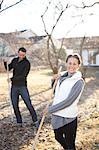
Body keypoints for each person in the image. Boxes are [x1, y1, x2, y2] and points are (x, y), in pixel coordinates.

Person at [44, 53, 85, 150]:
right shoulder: (61, 77)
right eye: (70, 63)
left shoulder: (79, 82)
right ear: (66, 63)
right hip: (57, 115)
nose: (71, 66)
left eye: (74, 64)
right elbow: (56, 92)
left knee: (70, 143)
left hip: (68, 117)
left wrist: (50, 109)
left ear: (78, 65)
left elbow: (68, 101)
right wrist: (53, 81)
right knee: (57, 137)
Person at [3, 47, 39, 128]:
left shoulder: (27, 63)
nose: (21, 56)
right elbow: (8, 68)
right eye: (20, 54)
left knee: (28, 104)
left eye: (23, 55)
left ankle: (35, 121)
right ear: (18, 53)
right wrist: (5, 63)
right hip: (14, 87)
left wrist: (11, 79)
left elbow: (23, 76)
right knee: (14, 104)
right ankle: (19, 121)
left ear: (25, 54)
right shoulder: (15, 60)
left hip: (22, 86)